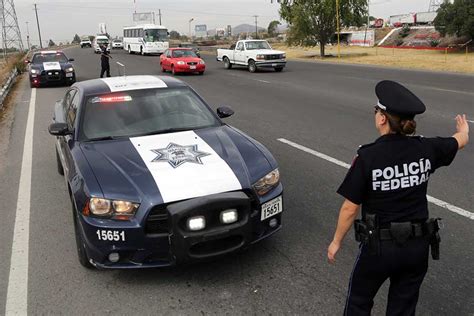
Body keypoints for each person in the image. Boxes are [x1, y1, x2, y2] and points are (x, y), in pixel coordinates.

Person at [327, 80, 469, 316]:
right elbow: (459, 141)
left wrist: (336, 241)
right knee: (403, 308)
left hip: (378, 248)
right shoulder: (426, 149)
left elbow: (350, 208)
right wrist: (464, 129)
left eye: (376, 111)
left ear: (382, 118)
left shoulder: (368, 156)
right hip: (417, 247)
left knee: (359, 302)